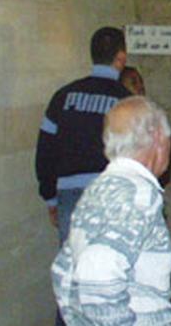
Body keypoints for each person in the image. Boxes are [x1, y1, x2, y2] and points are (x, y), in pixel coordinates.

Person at [51, 96, 171, 325]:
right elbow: (97, 277)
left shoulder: (99, 188)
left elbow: (63, 269)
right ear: (157, 136)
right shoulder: (137, 195)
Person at [35, 26, 132, 246]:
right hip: (112, 193)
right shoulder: (127, 102)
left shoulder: (62, 97)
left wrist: (50, 197)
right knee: (110, 264)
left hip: (69, 193)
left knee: (73, 267)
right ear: (121, 57)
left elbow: (45, 151)